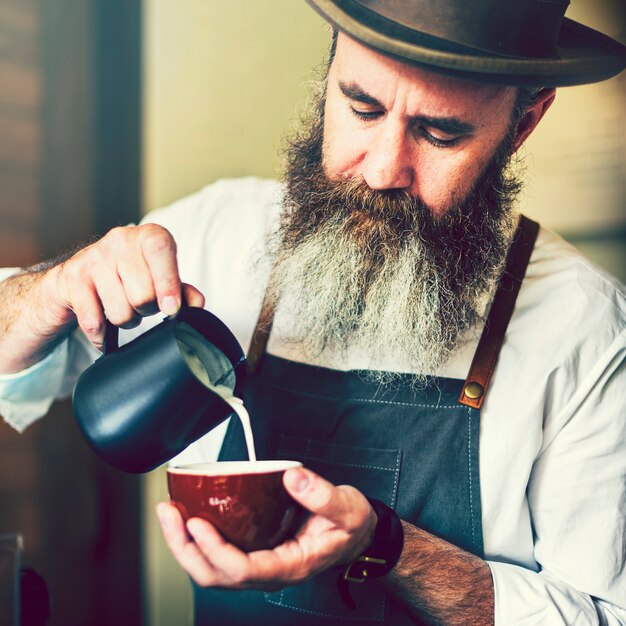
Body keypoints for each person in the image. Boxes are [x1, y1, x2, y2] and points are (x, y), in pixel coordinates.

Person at [0, 1, 624, 624]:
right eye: (362, 108)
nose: (382, 170)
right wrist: (52, 290)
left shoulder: (586, 329)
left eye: (440, 133)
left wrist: (389, 548)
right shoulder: (221, 233)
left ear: (524, 123)